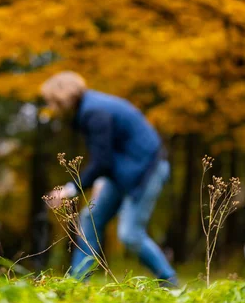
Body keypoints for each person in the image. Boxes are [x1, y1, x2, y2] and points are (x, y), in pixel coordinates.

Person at [41, 71, 178, 287]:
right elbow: (109, 152)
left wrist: (70, 189)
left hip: (147, 170)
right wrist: (100, 180)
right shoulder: (91, 107)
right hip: (125, 171)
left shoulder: (94, 112)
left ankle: (169, 282)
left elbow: (102, 161)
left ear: (62, 96)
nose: (52, 107)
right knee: (90, 219)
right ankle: (76, 284)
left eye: (52, 101)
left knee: (130, 234)